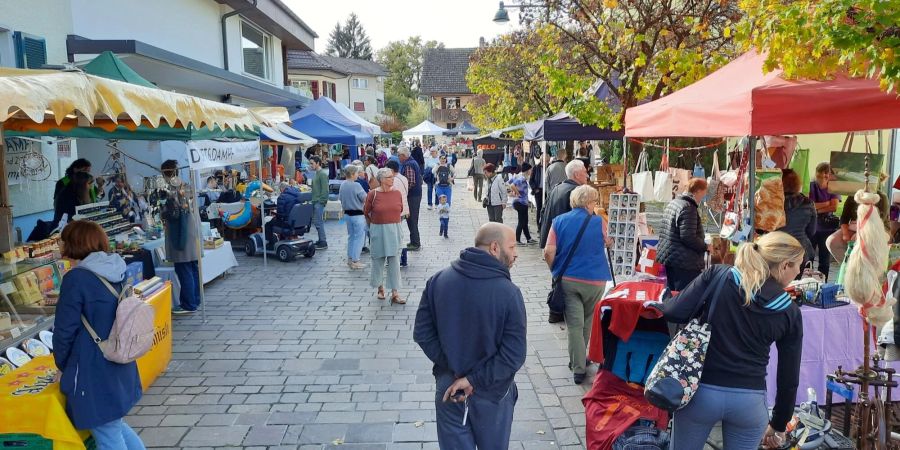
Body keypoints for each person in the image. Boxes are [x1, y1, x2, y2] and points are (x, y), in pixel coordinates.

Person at [662, 231, 804, 450]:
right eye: (798, 266)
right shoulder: (789, 310)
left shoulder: (718, 275)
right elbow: (789, 377)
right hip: (749, 401)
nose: (799, 273)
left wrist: (661, 301)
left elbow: (674, 311)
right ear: (785, 265)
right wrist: (778, 424)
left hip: (700, 392)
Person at [414, 223, 526, 449]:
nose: (516, 253)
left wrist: (456, 368)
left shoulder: (438, 281)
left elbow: (423, 334)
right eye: (512, 246)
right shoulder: (509, 294)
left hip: (450, 387)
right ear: (495, 247)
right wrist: (472, 379)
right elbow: (513, 355)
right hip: (491, 393)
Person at [53, 220, 145, 450]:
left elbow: (64, 331)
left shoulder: (76, 279)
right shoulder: (116, 267)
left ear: (74, 243)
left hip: (92, 368)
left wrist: (63, 367)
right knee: (113, 426)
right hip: (117, 359)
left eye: (62, 240)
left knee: (108, 436)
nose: (59, 244)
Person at [543, 185, 612, 384]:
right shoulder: (599, 222)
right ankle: (581, 358)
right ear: (589, 203)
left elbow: (549, 251)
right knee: (587, 320)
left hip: (570, 280)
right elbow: (609, 242)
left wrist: (554, 270)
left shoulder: (559, 221)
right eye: (594, 201)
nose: (595, 205)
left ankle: (578, 367)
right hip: (596, 279)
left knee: (574, 324)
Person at [160, 160, 202, 315]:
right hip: (192, 232)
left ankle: (188, 304)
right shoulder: (186, 186)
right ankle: (195, 299)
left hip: (180, 233)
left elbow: (173, 214)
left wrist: (163, 212)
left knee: (184, 268)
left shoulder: (172, 190)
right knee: (192, 267)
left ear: (165, 173)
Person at [656, 178, 709, 292]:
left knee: (672, 293)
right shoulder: (688, 207)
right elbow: (688, 237)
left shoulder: (675, 202)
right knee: (684, 296)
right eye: (703, 194)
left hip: (671, 256)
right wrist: (705, 246)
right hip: (683, 261)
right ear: (698, 191)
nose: (703, 197)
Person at [364, 168, 405, 305]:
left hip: (394, 228)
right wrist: (373, 227)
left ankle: (395, 292)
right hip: (378, 229)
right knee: (378, 259)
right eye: (389, 177)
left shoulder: (397, 193)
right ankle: (380, 288)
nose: (392, 179)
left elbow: (400, 210)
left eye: (392, 176)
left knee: (394, 260)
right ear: (381, 179)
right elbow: (366, 212)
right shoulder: (372, 194)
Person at [826, 186, 889, 264]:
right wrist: (845, 234)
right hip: (854, 227)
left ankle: (863, 269)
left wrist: (859, 234)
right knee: (832, 241)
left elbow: (878, 222)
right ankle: (847, 267)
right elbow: (844, 217)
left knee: (856, 239)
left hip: (877, 229)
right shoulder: (853, 195)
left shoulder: (881, 197)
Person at [540, 159, 588, 249]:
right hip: (566, 243)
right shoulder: (577, 192)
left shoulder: (556, 188)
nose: (587, 175)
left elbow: (543, 211)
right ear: (576, 175)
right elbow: (583, 217)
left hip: (554, 240)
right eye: (585, 172)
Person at [778, 169, 817, 271]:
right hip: (802, 251)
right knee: (798, 286)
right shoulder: (808, 203)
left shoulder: (772, 203)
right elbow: (812, 231)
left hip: (776, 250)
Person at [809, 163, 841, 279]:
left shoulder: (834, 187)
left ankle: (822, 282)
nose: (821, 179)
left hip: (827, 228)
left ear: (829, 175)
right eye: (819, 176)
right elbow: (810, 205)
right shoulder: (812, 186)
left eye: (825, 176)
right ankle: (807, 281)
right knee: (809, 257)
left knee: (824, 259)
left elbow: (834, 207)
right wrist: (827, 203)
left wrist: (817, 209)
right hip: (812, 228)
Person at [339, 165, 368, 270]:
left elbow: (341, 199)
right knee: (359, 237)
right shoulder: (356, 185)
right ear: (352, 174)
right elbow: (365, 198)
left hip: (347, 214)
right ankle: (356, 260)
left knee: (351, 237)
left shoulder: (343, 185)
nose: (357, 175)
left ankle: (350, 258)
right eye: (356, 173)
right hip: (357, 215)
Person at [398, 147, 423, 251]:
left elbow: (410, 182)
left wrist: (403, 191)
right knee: (412, 219)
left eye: (399, 155)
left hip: (412, 196)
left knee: (412, 219)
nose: (398, 157)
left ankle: (415, 242)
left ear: (403, 156)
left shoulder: (408, 164)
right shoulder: (412, 162)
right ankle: (414, 241)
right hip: (415, 194)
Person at [510, 163, 536, 245]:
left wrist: (515, 191)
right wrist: (517, 193)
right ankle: (517, 240)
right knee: (522, 221)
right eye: (530, 170)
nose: (531, 171)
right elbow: (512, 185)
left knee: (525, 221)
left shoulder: (520, 176)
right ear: (527, 170)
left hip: (522, 202)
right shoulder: (522, 178)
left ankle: (528, 238)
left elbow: (510, 181)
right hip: (520, 202)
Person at [308, 156, 329, 250]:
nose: (310, 165)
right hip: (315, 201)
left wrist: (321, 201)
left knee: (318, 222)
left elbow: (325, 190)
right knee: (317, 221)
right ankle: (321, 240)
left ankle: (323, 241)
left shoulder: (322, 174)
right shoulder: (316, 173)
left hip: (318, 202)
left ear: (318, 163)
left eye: (312, 163)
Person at [530, 153, 549, 230]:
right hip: (539, 190)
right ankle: (539, 226)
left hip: (548, 191)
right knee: (539, 208)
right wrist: (535, 189)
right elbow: (531, 180)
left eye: (547, 161)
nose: (545, 162)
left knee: (548, 208)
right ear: (540, 160)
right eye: (543, 160)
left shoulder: (550, 167)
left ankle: (546, 225)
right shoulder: (536, 168)